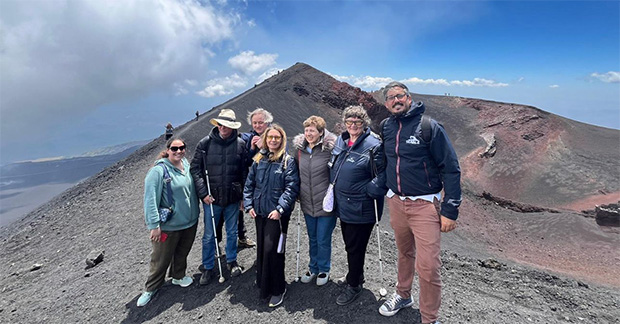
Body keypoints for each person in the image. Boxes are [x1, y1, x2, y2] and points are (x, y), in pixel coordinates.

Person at [378, 81, 461, 324]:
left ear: (409, 97)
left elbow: (451, 168)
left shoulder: (429, 127)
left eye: (400, 96)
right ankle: (403, 295)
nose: (396, 101)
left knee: (428, 267)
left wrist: (450, 209)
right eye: (391, 98)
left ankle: (429, 318)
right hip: (396, 202)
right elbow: (386, 162)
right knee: (404, 253)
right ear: (386, 104)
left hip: (425, 206)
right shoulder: (386, 127)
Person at [330, 106, 386, 306]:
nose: (353, 125)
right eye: (349, 122)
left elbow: (383, 174)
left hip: (362, 207)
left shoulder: (374, 145)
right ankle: (355, 275)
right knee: (350, 245)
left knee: (355, 247)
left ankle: (354, 285)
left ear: (364, 124)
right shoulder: (341, 140)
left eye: (357, 122)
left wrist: (370, 191)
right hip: (344, 205)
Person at [138, 137, 200, 307]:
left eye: (182, 148)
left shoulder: (185, 164)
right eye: (175, 148)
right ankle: (151, 287)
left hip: (189, 221)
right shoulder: (158, 171)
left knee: (182, 251)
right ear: (168, 149)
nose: (179, 151)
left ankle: (178, 276)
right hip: (169, 225)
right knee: (161, 257)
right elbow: (150, 200)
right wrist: (154, 226)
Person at [243, 124, 300, 308]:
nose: (273, 140)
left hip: (277, 215)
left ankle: (277, 289)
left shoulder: (287, 161)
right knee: (262, 249)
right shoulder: (259, 159)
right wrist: (249, 204)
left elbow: (291, 188)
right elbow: (249, 184)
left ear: (282, 140)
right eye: (270, 137)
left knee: (273, 251)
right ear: (265, 139)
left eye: (277, 137)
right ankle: (263, 283)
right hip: (259, 213)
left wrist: (280, 209)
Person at [190, 109, 247, 285]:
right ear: (218, 125)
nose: (223, 127)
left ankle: (231, 261)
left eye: (227, 125)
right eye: (221, 124)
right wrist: (203, 194)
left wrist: (244, 197)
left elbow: (244, 171)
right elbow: (195, 169)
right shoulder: (205, 144)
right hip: (211, 199)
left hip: (232, 197)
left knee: (232, 232)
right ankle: (208, 267)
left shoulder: (240, 144)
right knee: (209, 235)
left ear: (232, 127)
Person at [292, 116, 337, 286]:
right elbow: (295, 172)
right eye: (306, 130)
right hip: (306, 201)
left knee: (323, 238)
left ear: (320, 132)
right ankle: (313, 267)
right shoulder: (300, 150)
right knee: (312, 237)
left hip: (325, 202)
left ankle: (324, 269)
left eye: (312, 130)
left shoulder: (329, 149)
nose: (308, 133)